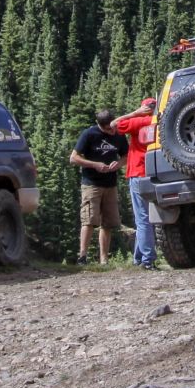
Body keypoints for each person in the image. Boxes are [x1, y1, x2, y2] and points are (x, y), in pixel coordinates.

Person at [68, 109, 125, 263]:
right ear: (99, 125)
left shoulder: (119, 134)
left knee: (108, 223)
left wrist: (118, 164)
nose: (111, 131)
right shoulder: (89, 134)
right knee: (89, 220)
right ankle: (82, 256)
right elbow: (73, 158)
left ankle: (104, 259)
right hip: (91, 184)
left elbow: (126, 155)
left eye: (112, 127)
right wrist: (95, 165)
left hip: (110, 184)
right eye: (107, 128)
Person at [110, 97, 159, 269]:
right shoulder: (160, 120)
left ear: (144, 108)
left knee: (143, 219)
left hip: (138, 173)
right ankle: (139, 258)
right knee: (149, 218)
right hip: (159, 174)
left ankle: (147, 259)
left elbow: (113, 125)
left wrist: (135, 113)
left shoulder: (138, 121)